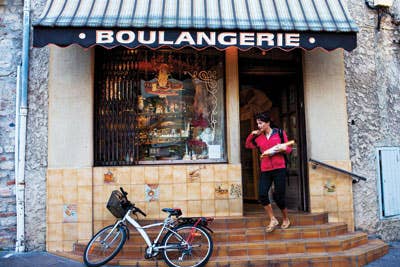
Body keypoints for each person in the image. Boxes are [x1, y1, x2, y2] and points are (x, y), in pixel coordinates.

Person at [245, 112, 292, 232]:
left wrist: (284, 148)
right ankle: (273, 219)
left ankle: (285, 218)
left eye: (260, 123)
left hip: (279, 168)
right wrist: (252, 134)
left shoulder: (279, 133)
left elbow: (289, 148)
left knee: (279, 196)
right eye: (257, 124)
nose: (259, 126)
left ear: (267, 123)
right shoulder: (259, 137)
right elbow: (248, 145)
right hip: (265, 169)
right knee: (262, 194)